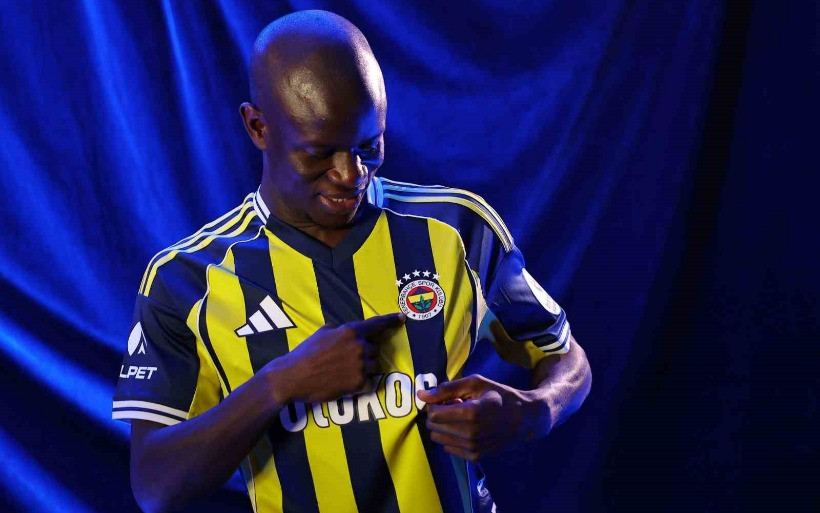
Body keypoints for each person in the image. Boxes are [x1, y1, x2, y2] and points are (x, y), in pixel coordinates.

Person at [113, 10, 590, 513]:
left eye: (369, 145)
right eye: (320, 153)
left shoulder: (457, 230)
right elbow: (154, 485)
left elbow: (565, 357)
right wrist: (280, 384)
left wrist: (532, 412)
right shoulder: (188, 280)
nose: (352, 173)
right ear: (258, 127)